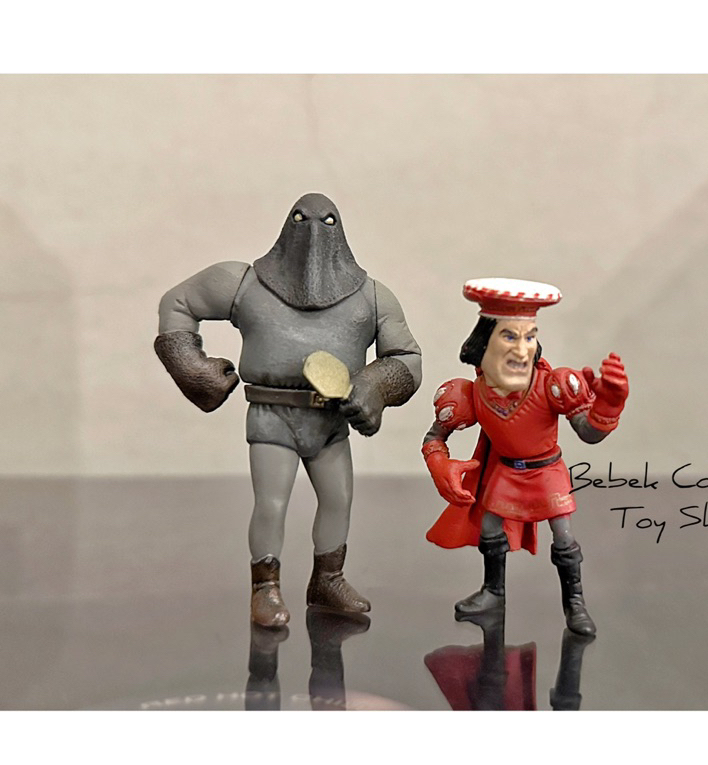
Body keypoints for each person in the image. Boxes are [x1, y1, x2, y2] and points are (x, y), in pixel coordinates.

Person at [155, 193, 422, 627]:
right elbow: (178, 303)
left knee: (338, 499)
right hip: (272, 414)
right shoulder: (245, 283)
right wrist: (191, 367)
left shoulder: (371, 296)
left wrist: (373, 387)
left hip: (330, 418)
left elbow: (407, 357)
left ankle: (328, 580)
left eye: (326, 222)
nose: (313, 233)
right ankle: (265, 588)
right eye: (301, 220)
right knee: (271, 503)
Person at [422, 278, 628, 635]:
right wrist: (440, 464)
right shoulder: (471, 394)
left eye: (529, 337)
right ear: (484, 342)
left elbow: (588, 433)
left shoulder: (554, 386)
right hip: (506, 473)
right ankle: (493, 591)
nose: (522, 350)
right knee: (489, 527)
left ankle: (575, 603)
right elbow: (434, 437)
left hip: (547, 473)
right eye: (510, 336)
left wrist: (608, 406)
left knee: (563, 535)